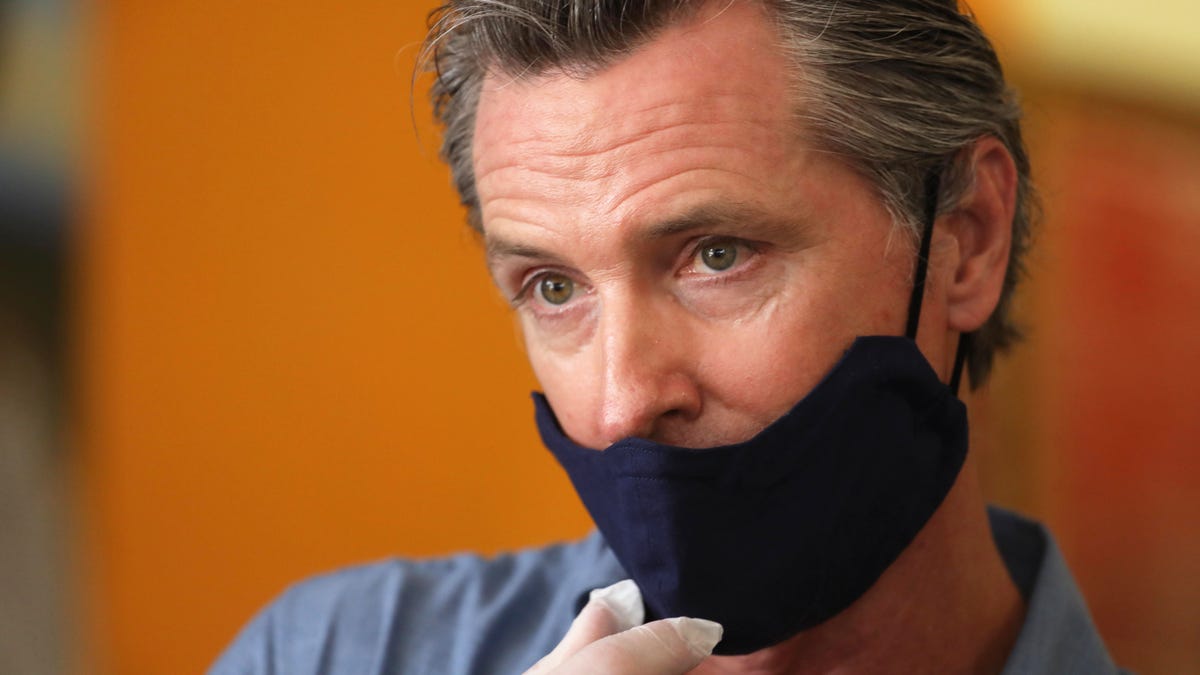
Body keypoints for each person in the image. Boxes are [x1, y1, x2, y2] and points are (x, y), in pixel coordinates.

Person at [211, 1, 1127, 673]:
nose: (620, 402)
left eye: (717, 255)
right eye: (554, 286)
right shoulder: (326, 654)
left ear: (966, 235)